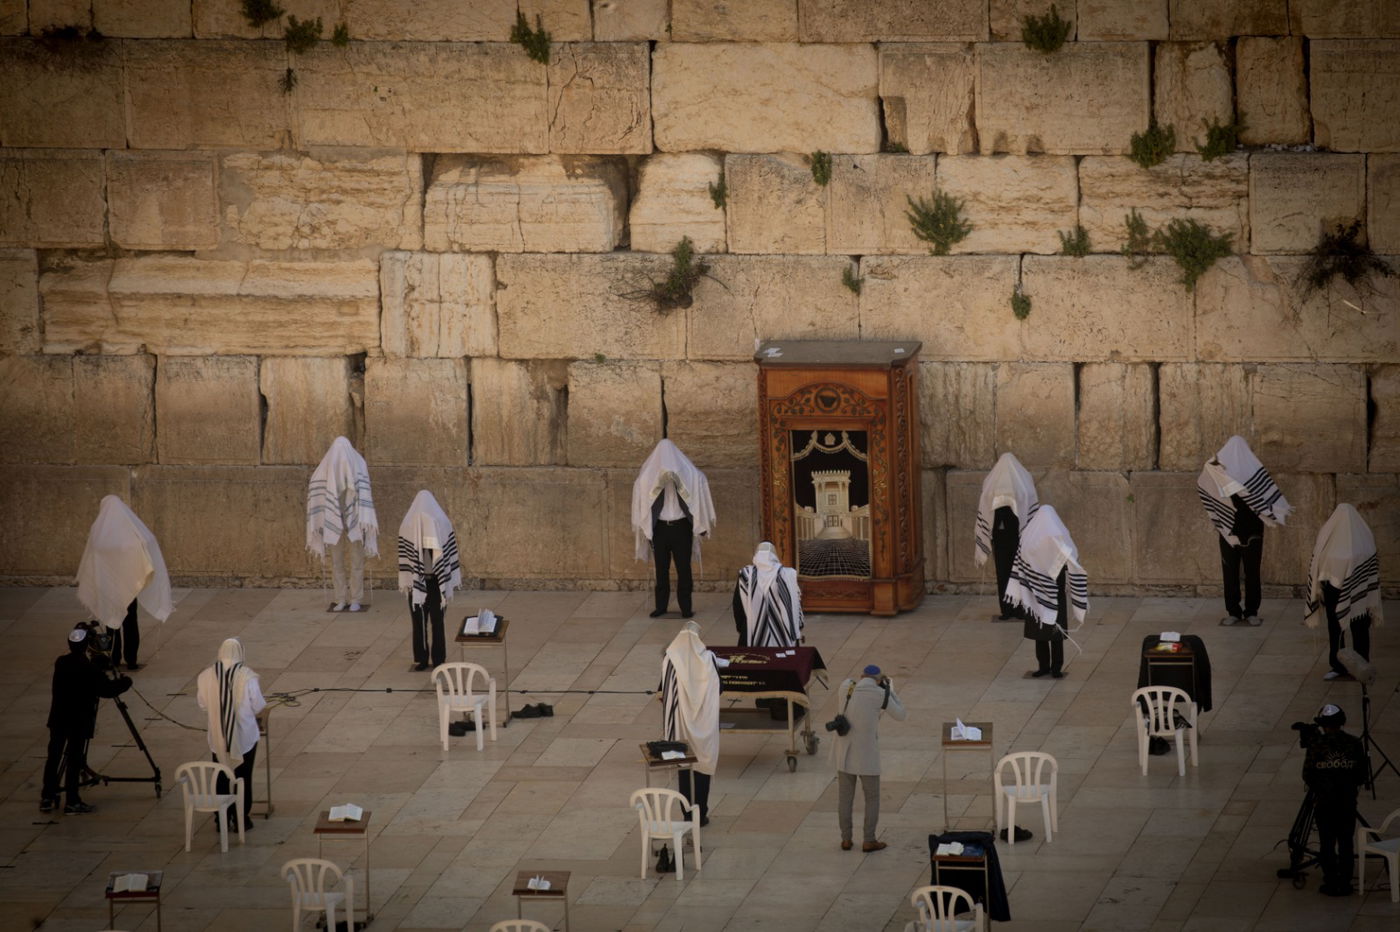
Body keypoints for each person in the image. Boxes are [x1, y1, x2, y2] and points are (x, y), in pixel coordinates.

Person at [1197, 435, 1291, 626]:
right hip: (1229, 529)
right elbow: (1204, 484)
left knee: (1251, 571)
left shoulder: (1252, 469)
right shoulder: (1217, 470)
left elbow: (1265, 493)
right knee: (1230, 571)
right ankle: (1233, 611)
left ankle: (1251, 612)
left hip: (1251, 529)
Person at [76, 495, 174, 671]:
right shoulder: (132, 532)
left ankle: (113, 658)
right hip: (129, 588)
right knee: (130, 623)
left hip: (109, 588)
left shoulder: (100, 533)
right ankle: (131, 659)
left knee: (111, 623)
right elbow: (146, 542)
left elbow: (94, 557)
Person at [40, 626, 132, 813]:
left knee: (54, 758)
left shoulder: (61, 662)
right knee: (74, 760)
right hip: (77, 722)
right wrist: (125, 683)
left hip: (58, 719)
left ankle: (47, 797)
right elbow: (106, 690)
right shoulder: (88, 668)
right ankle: (72, 801)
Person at [632, 440, 716, 619]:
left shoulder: (688, 475)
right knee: (661, 569)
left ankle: (686, 607)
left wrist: (679, 479)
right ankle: (660, 606)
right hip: (660, 529)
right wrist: (658, 481)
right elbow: (641, 486)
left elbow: (698, 480)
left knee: (683, 568)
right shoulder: (650, 477)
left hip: (681, 527)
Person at [1003, 505, 1087, 679]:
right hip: (1051, 585)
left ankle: (1046, 667)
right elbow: (1071, 554)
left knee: (1046, 628)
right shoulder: (1058, 532)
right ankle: (1053, 667)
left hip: (1036, 587)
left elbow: (1022, 556)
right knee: (1046, 628)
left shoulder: (1030, 534)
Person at [833, 664, 906, 852]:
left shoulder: (845, 686)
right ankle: (869, 839)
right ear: (879, 680)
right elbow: (901, 714)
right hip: (867, 756)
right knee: (872, 798)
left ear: (862, 675)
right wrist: (890, 690)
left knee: (845, 799)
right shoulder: (879, 695)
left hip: (845, 753)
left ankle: (846, 839)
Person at [1305, 503, 1382, 681]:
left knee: (1344, 628)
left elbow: (1318, 562)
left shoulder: (1328, 536)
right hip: (1346, 593)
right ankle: (1342, 665)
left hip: (1344, 591)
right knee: (1350, 628)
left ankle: (1353, 666)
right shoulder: (1365, 537)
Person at [196, 638, 266, 832]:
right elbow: (258, 706)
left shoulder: (206, 676)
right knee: (243, 777)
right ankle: (241, 817)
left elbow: (202, 705)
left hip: (218, 738)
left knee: (221, 776)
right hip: (244, 739)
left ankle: (221, 818)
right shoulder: (248, 677)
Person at [660, 621, 723, 826]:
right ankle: (700, 813)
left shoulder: (671, 659)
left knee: (684, 767)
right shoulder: (709, 659)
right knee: (703, 765)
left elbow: (664, 689)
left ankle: (687, 814)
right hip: (704, 723)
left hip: (681, 724)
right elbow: (719, 687)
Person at [308, 436, 379, 612]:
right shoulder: (324, 469)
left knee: (357, 561)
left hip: (354, 520)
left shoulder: (359, 464)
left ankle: (356, 598)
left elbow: (364, 493)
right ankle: (340, 598)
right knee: (336, 562)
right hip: (333, 521)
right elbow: (316, 492)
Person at [1303, 704, 1367, 896]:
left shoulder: (1316, 745)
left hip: (1325, 803)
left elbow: (1307, 774)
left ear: (1323, 725)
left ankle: (1331, 882)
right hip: (1347, 802)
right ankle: (1346, 882)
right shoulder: (1354, 743)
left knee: (1327, 843)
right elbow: (1362, 775)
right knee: (1346, 842)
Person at [398, 490, 461, 671]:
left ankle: (439, 659)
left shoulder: (441, 524)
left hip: (436, 581)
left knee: (437, 620)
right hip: (417, 581)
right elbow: (406, 556)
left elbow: (447, 551)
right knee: (418, 621)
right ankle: (421, 659)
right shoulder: (409, 527)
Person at [974, 452, 1038, 621]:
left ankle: (1013, 609)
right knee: (1009, 572)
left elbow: (987, 501)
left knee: (1009, 572)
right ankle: (1010, 610)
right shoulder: (1023, 481)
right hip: (1009, 536)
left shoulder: (993, 482)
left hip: (1008, 536)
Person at [732, 542, 804, 647]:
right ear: (774, 555)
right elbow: (795, 603)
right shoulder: (787, 574)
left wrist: (742, 627)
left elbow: (737, 604)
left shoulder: (746, 575)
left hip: (752, 631)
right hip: (784, 632)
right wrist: (798, 625)